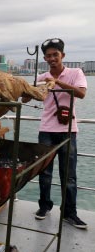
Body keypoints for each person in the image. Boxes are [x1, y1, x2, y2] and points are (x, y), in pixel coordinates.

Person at [34, 38, 88, 229]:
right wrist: (27, 88)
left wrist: (56, 82)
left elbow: (81, 94)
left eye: (55, 54)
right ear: (45, 58)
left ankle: (69, 213)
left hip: (68, 131)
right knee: (44, 173)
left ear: (62, 55)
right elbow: (25, 97)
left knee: (69, 175)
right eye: (48, 56)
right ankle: (44, 206)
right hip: (46, 130)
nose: (52, 58)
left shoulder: (75, 73)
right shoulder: (41, 77)